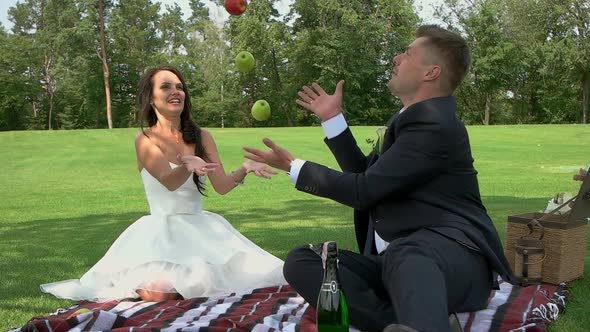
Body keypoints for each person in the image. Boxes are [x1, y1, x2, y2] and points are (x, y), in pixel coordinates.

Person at [243, 25, 515, 332]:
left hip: (451, 263)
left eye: (408, 53)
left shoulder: (437, 125)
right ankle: (406, 322)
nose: (397, 57)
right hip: (397, 265)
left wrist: (294, 166)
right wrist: (333, 119)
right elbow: (367, 177)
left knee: (408, 251)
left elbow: (364, 190)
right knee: (304, 260)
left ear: (431, 72)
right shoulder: (408, 120)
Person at [41, 65, 286, 302]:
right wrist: (186, 166)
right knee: (159, 291)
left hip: (201, 229)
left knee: (247, 276)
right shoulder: (145, 139)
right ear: (151, 98)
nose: (175, 92)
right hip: (161, 231)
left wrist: (244, 169)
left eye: (179, 87)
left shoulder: (202, 136)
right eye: (166, 87)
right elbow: (169, 182)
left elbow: (221, 186)